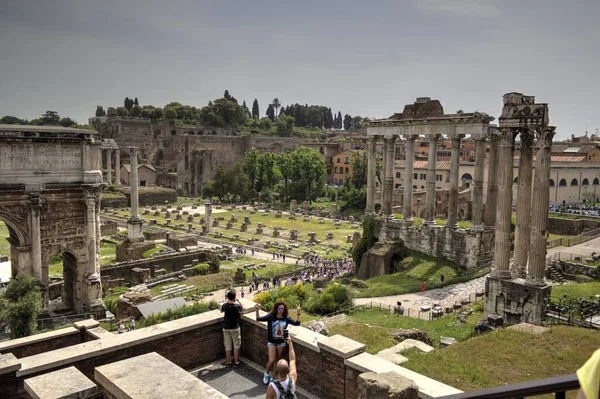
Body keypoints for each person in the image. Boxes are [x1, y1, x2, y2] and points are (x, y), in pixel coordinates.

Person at [256, 302, 301, 384]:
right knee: (271, 360)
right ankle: (266, 373)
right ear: (276, 309)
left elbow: (297, 323)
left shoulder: (286, 318)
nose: (281, 310)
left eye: (282, 309)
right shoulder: (271, 316)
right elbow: (258, 319)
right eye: (279, 308)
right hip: (272, 342)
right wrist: (257, 310)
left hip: (281, 343)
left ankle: (273, 376)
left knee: (277, 360)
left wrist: (298, 313)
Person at [221, 289, 243, 368]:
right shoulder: (237, 306)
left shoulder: (225, 305)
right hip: (235, 327)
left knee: (228, 346)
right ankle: (236, 362)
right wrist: (238, 301)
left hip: (226, 328)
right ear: (234, 297)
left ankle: (228, 362)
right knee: (236, 346)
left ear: (227, 297)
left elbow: (221, 310)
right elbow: (242, 308)